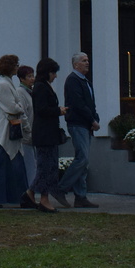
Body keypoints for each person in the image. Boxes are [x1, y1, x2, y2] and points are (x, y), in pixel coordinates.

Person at [52, 52, 99, 209]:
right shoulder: (73, 80)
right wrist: (91, 120)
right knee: (83, 158)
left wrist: (95, 118)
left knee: (83, 160)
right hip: (78, 123)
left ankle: (80, 196)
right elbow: (78, 103)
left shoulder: (85, 81)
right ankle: (61, 188)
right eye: (84, 61)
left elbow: (90, 103)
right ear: (75, 64)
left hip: (85, 124)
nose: (87, 63)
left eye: (87, 60)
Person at [0, 54, 31, 208]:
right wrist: (21, 109)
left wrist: (20, 110)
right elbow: (11, 107)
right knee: (4, 163)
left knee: (14, 164)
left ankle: (20, 197)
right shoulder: (4, 84)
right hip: (8, 130)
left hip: (13, 128)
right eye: (16, 65)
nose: (18, 67)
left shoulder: (8, 82)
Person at [30, 57, 67, 213]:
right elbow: (41, 110)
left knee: (47, 166)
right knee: (46, 167)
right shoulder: (40, 87)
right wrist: (58, 111)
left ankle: (30, 193)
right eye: (53, 73)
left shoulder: (43, 86)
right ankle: (44, 199)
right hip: (44, 134)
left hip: (48, 133)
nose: (55, 76)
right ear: (47, 72)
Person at [16, 65, 37, 192]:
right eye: (29, 76)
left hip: (32, 134)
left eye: (32, 76)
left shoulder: (31, 92)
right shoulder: (20, 92)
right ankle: (29, 191)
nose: (32, 79)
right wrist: (28, 129)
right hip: (25, 135)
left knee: (32, 164)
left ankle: (30, 190)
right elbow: (22, 113)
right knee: (29, 165)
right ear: (21, 79)